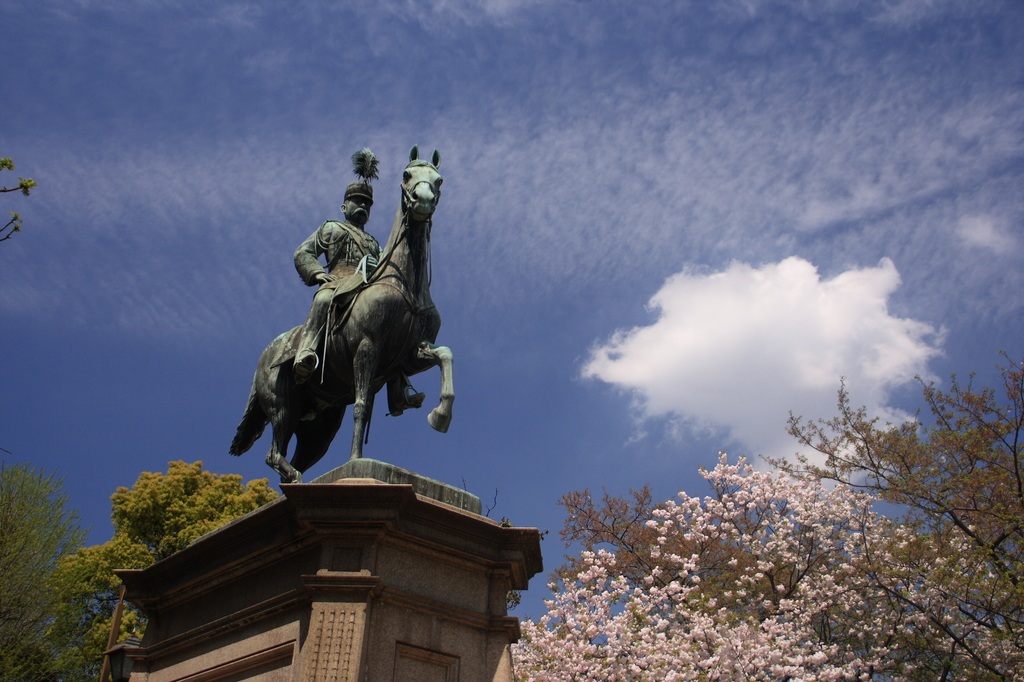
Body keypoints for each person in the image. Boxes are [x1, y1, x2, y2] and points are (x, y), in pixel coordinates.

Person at [292, 180, 424, 414]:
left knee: (391, 325)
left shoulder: (374, 243)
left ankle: (398, 389)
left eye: (367, 203)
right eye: (357, 200)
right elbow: (303, 253)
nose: (363, 205)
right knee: (323, 300)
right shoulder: (331, 228)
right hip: (338, 281)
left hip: (366, 285)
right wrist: (319, 274)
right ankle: (306, 352)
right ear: (345, 207)